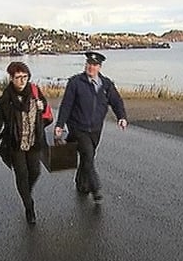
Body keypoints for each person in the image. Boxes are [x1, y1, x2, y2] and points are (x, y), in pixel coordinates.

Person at [54, 51, 128, 204]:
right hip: (78, 128)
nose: (90, 67)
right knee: (87, 154)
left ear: (99, 67)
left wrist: (121, 117)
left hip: (95, 129)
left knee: (88, 157)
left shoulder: (106, 85)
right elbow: (66, 105)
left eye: (94, 65)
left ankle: (81, 183)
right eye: (88, 63)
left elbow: (116, 101)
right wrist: (60, 125)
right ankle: (96, 189)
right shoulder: (75, 82)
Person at [0, 62, 50, 225]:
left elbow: (45, 107)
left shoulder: (34, 91)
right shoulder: (5, 100)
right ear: (11, 78)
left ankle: (26, 192)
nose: (22, 81)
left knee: (35, 172)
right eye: (18, 78)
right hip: (15, 145)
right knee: (21, 175)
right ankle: (29, 207)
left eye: (25, 77)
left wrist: (43, 105)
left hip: (34, 142)